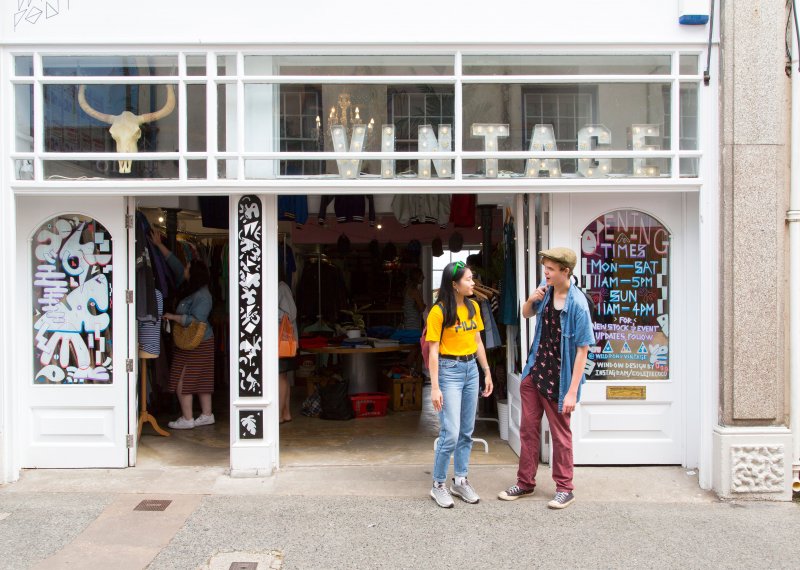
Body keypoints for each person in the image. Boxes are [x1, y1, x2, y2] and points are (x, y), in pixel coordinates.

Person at [498, 247, 594, 509]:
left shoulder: (578, 305)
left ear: (566, 271)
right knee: (528, 429)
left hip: (560, 379)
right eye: (545, 268)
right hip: (535, 372)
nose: (545, 273)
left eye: (550, 269)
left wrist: (573, 391)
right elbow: (527, 313)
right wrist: (532, 299)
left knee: (560, 434)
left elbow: (582, 350)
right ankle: (525, 483)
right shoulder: (546, 288)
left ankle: (565, 488)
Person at [427, 261, 493, 508]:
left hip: (471, 370)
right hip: (449, 371)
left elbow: (477, 341)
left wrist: (486, 371)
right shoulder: (439, 311)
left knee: (466, 431)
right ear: (454, 285)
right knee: (450, 432)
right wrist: (435, 387)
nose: (473, 283)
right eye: (468, 280)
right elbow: (433, 352)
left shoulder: (474, 306)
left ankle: (461, 480)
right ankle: (438, 485)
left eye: (472, 278)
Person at [151, 230, 215, 430]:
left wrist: (172, 317)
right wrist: (159, 245)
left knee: (182, 378)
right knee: (201, 378)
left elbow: (197, 321)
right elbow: (175, 264)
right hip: (195, 341)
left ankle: (188, 418)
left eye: (188, 267)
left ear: (193, 274)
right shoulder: (189, 285)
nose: (184, 268)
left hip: (198, 341)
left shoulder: (203, 295)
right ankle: (206, 415)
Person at [278, 276, 298, 423]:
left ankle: (279, 414)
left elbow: (290, 314)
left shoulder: (281, 287)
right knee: (282, 377)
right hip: (283, 340)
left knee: (280, 377)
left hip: (282, 340)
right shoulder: (281, 287)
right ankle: (285, 412)